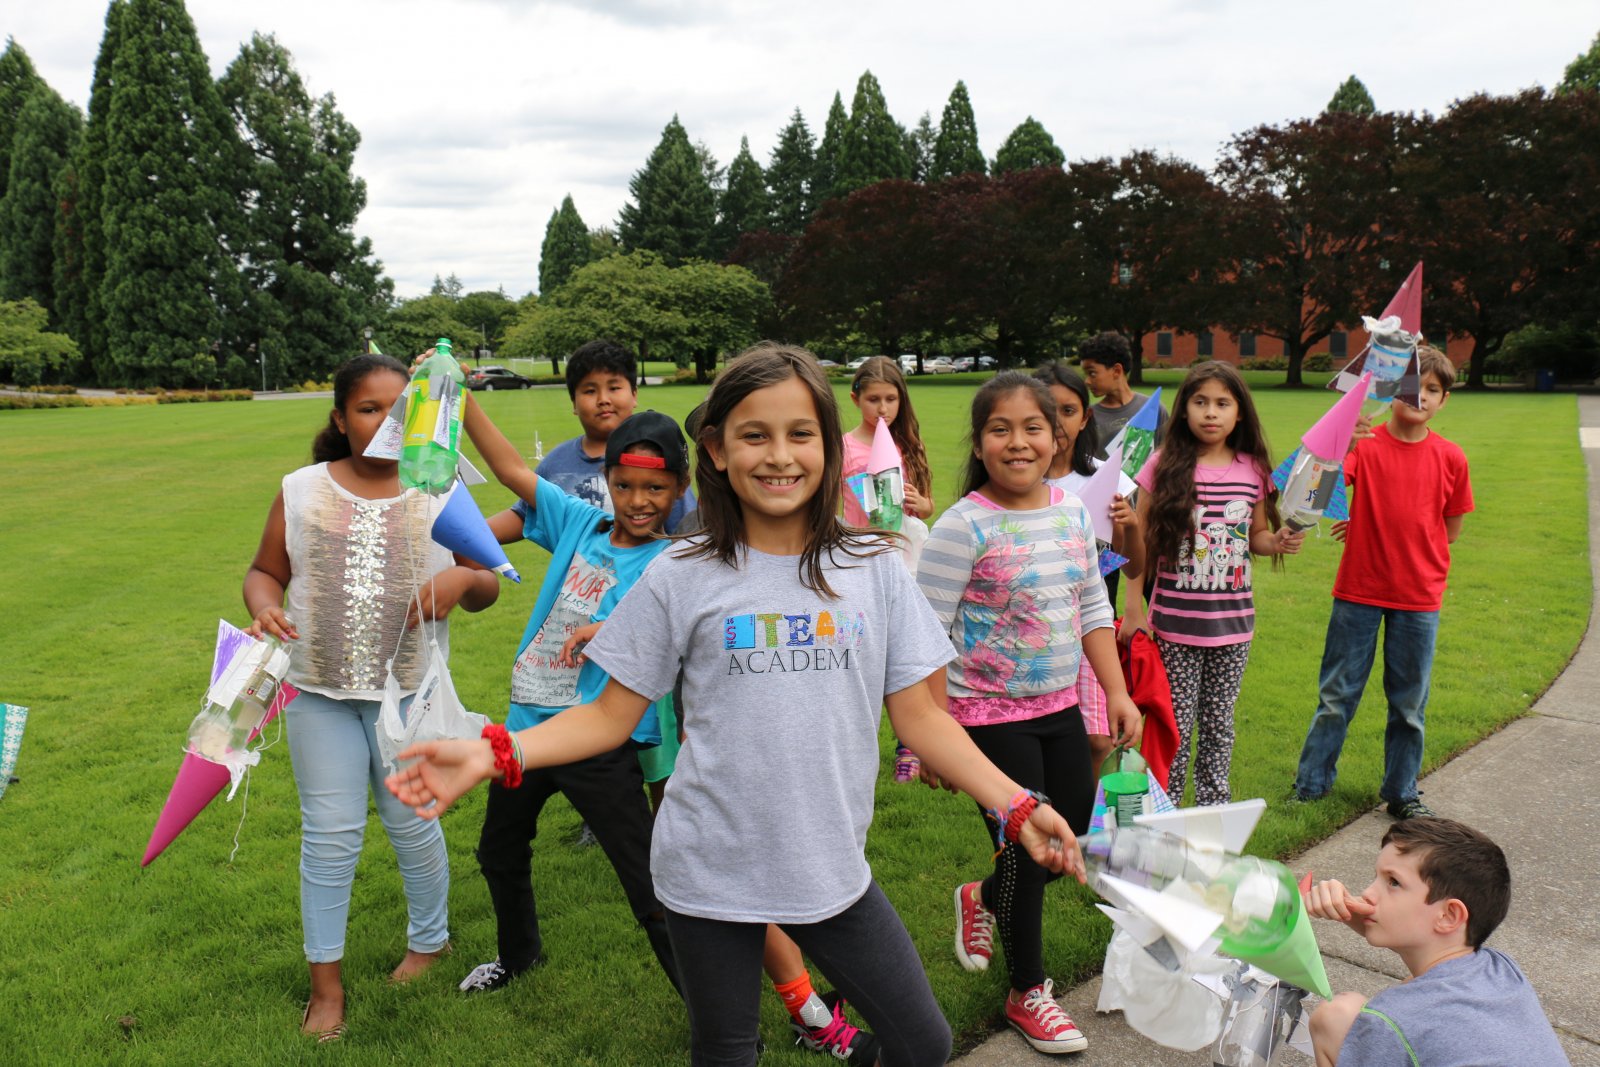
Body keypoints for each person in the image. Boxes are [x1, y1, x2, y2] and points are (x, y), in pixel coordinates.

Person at [386, 343, 1086, 1067]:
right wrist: (496, 749)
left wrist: (1015, 804)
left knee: (922, 1042)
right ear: (717, 449)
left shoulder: (873, 567)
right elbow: (608, 715)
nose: (778, 455)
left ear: (830, 444)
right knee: (725, 1050)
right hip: (706, 867)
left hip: (831, 869)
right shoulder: (679, 573)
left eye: (800, 433)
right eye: (755, 434)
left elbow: (923, 717)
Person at [243, 353, 501, 1042]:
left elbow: (488, 578)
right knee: (328, 840)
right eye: (368, 409)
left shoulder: (441, 489)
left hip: (407, 697)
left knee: (413, 821)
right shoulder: (301, 490)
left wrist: (460, 583)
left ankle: (430, 940)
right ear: (339, 418)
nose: (386, 424)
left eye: (400, 410)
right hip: (318, 692)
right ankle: (325, 987)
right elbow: (266, 570)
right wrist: (264, 604)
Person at [919, 371, 1143, 1056]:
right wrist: (926, 738)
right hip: (985, 717)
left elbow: (1092, 608)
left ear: (1060, 436)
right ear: (980, 443)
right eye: (1000, 429)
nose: (1018, 441)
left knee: (1068, 831)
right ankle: (1028, 990)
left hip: (1061, 706)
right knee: (1027, 845)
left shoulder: (1074, 511)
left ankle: (983, 894)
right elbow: (923, 634)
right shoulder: (961, 525)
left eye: (1033, 427)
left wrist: (1119, 692)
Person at [453, 404, 691, 997]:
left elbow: (670, 640)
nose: (639, 500)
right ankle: (518, 956)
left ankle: (712, 1019)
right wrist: (460, 400)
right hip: (528, 728)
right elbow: (509, 468)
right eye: (625, 485)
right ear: (606, 482)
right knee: (498, 849)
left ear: (680, 488)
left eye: (656, 488)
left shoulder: (674, 564)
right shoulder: (578, 524)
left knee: (647, 885)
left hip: (599, 742)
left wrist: (609, 633)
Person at [1293, 348, 1473, 819]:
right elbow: (1316, 488)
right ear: (1392, 390)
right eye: (1412, 387)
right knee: (1337, 696)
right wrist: (1340, 441)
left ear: (1444, 400)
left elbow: (1449, 528)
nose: (1421, 397)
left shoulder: (1451, 457)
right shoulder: (1365, 446)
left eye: (1432, 390)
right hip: (1358, 591)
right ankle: (1311, 785)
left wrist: (1386, 526)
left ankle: (1402, 793)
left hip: (1418, 597)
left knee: (1409, 704)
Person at [1122, 362, 1303, 806]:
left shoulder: (1253, 469)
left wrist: (1275, 541)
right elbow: (1138, 543)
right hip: (1173, 627)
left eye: (1223, 403)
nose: (1211, 413)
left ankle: (1213, 812)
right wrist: (1133, 607)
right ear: (1184, 411)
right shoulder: (1162, 465)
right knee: (1175, 728)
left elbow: (1256, 537)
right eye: (1200, 402)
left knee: (1220, 724)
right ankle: (1165, 809)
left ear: (1239, 413)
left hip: (1234, 627)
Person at [1302, 818, 1567, 1067]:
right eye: (1377, 878)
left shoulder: (1395, 1021)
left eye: (1393, 882)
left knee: (1335, 1017)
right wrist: (1350, 910)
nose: (1369, 893)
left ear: (1450, 915)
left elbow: (1398, 1018)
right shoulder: (1503, 970)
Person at [1035, 363, 1145, 775]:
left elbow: (1133, 564)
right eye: (1047, 410)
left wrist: (1129, 527)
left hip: (1089, 627)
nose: (1058, 421)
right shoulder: (1020, 478)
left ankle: (1082, 824)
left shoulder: (1105, 477)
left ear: (1085, 417)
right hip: (1035, 627)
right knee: (1045, 735)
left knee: (1098, 739)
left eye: (1068, 410)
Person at [843, 355, 935, 783]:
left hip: (903, 558)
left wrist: (922, 504)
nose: (882, 408)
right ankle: (854, 739)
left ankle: (909, 744)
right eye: (874, 399)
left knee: (905, 649)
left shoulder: (908, 444)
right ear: (855, 397)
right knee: (862, 649)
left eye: (891, 399)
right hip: (858, 556)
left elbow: (927, 504)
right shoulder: (843, 447)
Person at [536, 338, 696, 533]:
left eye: (614, 388)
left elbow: (685, 532)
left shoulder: (660, 457)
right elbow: (524, 513)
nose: (603, 399)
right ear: (573, 402)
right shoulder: (555, 461)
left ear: (634, 394)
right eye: (589, 390)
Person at [1078, 331, 1167, 460]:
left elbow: (1166, 455)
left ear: (1116, 371)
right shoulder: (1088, 417)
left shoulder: (1154, 409)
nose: (1086, 381)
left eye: (1092, 373)